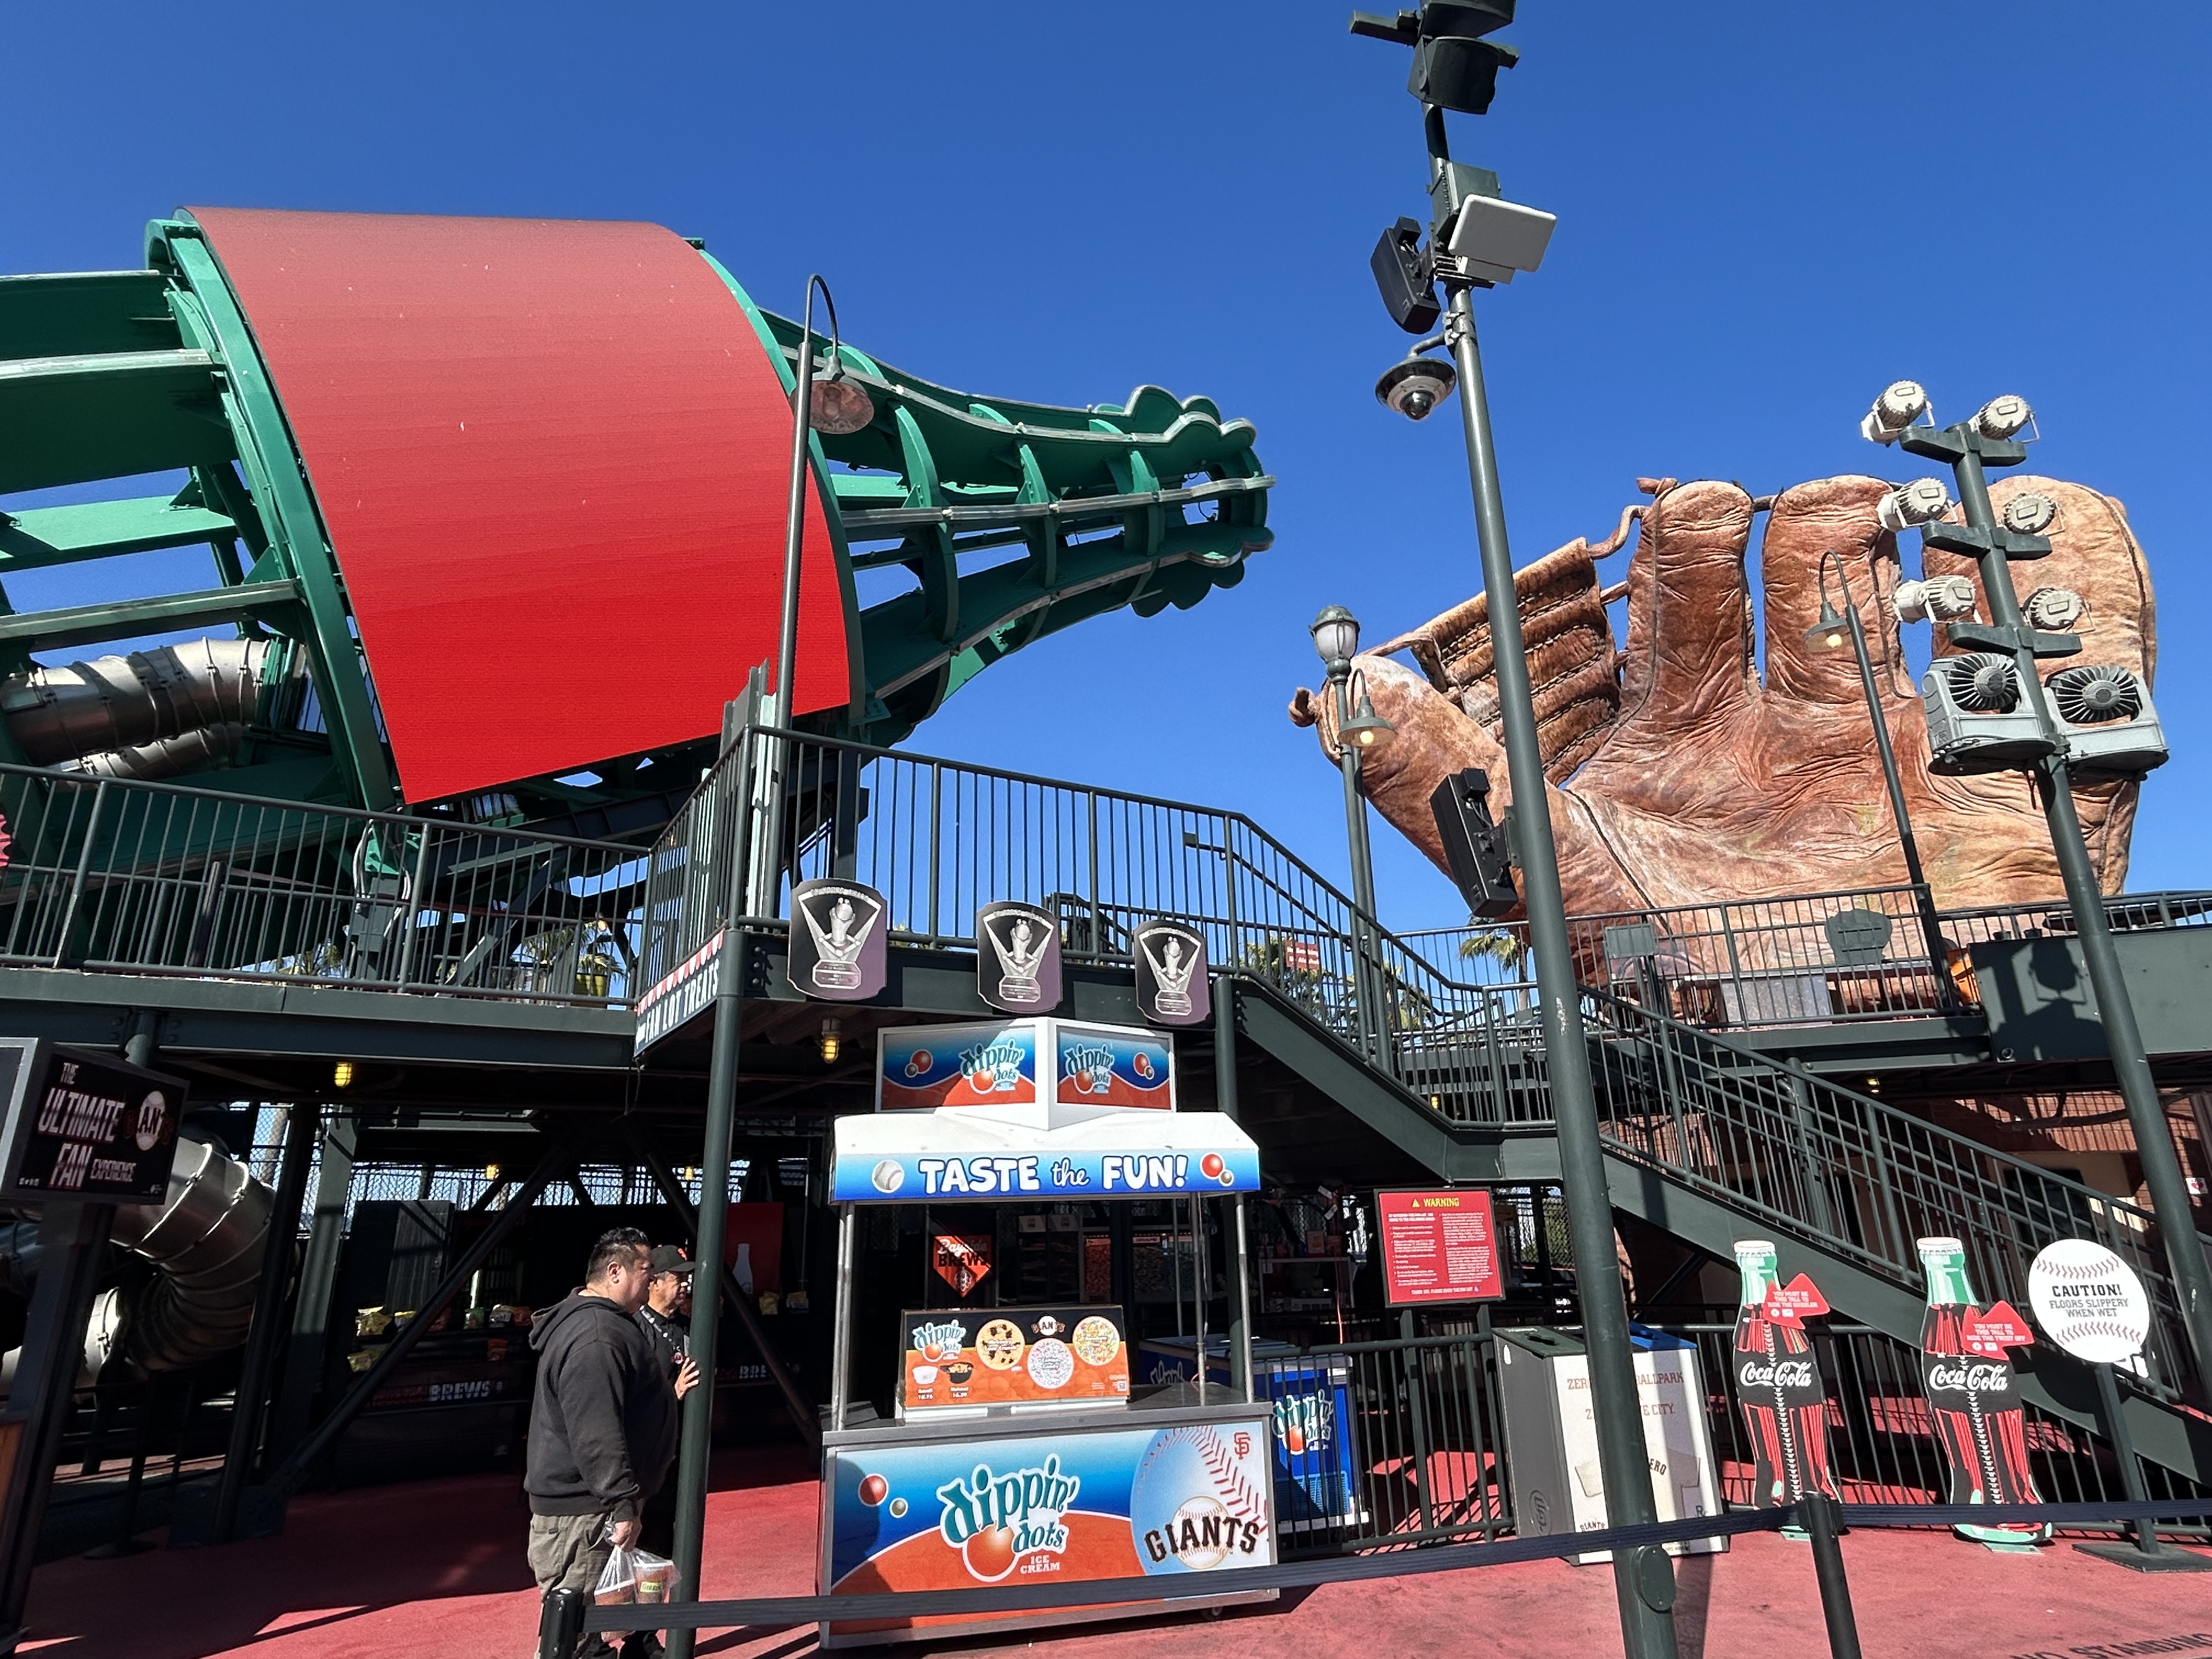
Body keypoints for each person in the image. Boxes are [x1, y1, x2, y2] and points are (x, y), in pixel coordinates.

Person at [525, 1227, 679, 1658]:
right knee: (581, 1633)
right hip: (586, 1514)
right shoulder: (596, 1335)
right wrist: (621, 1503)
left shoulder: (599, 1326)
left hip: (587, 1509)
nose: (654, 1280)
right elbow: (597, 1430)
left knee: (590, 1632)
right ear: (615, 1272)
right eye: (647, 1270)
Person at [635, 1245, 699, 1559]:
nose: (686, 1284)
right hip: (645, 1457)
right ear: (655, 1282)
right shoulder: (635, 1328)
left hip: (677, 1452)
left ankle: (657, 1603)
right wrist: (672, 1393)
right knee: (638, 1535)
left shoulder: (685, 1327)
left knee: (666, 1539)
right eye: (679, 1277)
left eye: (688, 1277)